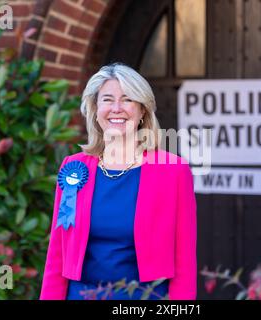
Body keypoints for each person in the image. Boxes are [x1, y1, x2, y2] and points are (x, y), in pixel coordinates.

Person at [39, 63, 197, 300]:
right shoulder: (74, 168)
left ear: (142, 110)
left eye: (127, 99)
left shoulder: (172, 171)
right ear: (95, 109)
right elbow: (58, 253)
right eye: (107, 100)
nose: (116, 108)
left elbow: (184, 259)